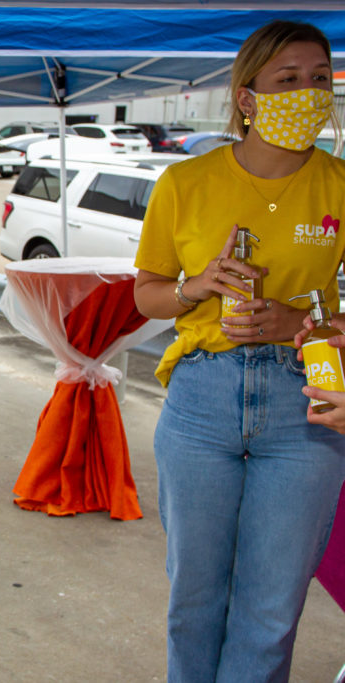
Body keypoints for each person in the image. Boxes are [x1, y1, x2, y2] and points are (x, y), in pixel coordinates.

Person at [132, 20, 345, 683]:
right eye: (289, 79)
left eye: (321, 78)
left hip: (304, 403)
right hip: (201, 397)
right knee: (194, 600)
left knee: (272, 607)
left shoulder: (340, 184)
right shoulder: (185, 182)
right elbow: (146, 295)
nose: (309, 91)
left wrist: (297, 319)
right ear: (247, 97)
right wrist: (195, 288)